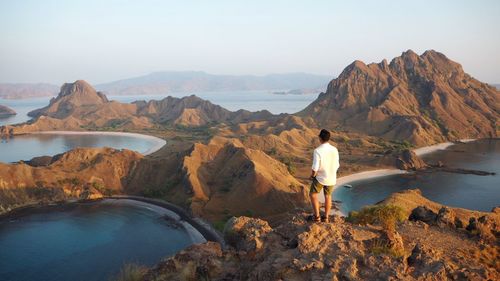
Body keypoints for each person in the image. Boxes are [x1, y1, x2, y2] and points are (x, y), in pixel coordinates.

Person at [308, 129, 339, 223]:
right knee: (328, 196)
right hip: (331, 177)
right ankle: (326, 218)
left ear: (320, 138)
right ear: (328, 138)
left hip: (321, 178)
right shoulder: (334, 149)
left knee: (313, 194)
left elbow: (315, 167)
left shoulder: (317, 151)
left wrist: (312, 176)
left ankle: (317, 217)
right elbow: (337, 164)